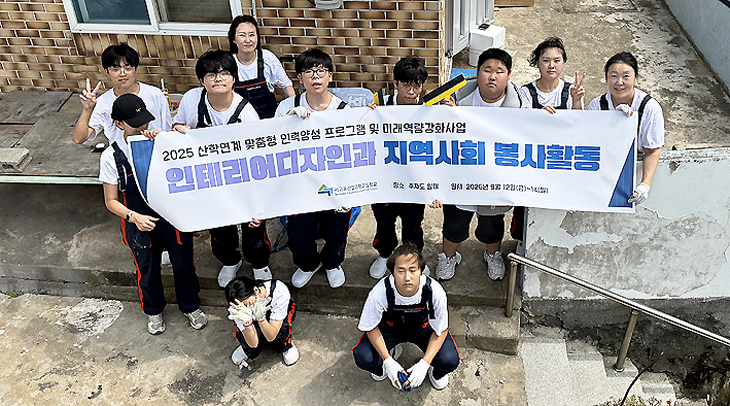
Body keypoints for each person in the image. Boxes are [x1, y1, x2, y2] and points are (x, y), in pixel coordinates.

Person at [99, 94, 206, 335]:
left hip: (172, 216)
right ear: (118, 124)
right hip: (139, 221)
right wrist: (133, 217)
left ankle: (190, 306)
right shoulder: (111, 156)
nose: (142, 127)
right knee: (147, 269)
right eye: (135, 124)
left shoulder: (162, 142)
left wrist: (170, 141)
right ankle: (154, 311)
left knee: (184, 264)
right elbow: (111, 201)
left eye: (145, 121)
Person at [172, 50, 273, 287]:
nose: (218, 79)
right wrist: (178, 129)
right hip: (209, 179)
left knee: (254, 229)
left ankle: (259, 264)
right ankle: (230, 261)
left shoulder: (246, 112)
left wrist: (257, 200)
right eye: (211, 74)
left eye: (224, 73)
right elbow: (177, 124)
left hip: (243, 179)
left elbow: (258, 156)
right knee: (219, 228)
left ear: (234, 79)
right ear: (201, 80)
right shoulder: (191, 100)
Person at [435, 48, 529, 282]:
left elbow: (530, 141)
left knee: (492, 222)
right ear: (477, 72)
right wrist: (441, 113)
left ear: (509, 75)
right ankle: (448, 256)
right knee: (455, 220)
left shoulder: (521, 107)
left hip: (495, 179)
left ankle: (493, 255)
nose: (492, 76)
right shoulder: (455, 95)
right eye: (487, 70)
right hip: (460, 175)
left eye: (500, 71)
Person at [274, 48, 351, 289]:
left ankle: (332, 263)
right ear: (300, 78)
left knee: (337, 232)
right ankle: (308, 264)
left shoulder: (344, 110)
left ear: (330, 76)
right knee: (298, 235)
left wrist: (349, 191)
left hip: (333, 184)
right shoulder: (286, 106)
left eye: (321, 71)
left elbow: (354, 154)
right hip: (299, 185)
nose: (315, 76)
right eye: (309, 71)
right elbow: (274, 146)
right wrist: (287, 124)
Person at [352, 243, 460, 391]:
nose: (407, 277)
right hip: (390, 329)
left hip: (424, 329)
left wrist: (425, 363)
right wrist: (387, 361)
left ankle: (435, 372)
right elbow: (370, 327)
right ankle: (386, 359)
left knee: (449, 360)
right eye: (401, 271)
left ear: (421, 271)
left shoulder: (434, 291)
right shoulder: (380, 292)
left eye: (412, 270)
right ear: (393, 272)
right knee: (363, 357)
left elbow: (441, 330)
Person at [367, 56, 432, 280]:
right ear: (395, 83)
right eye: (406, 84)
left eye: (417, 85)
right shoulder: (380, 105)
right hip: (384, 180)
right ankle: (385, 254)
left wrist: (448, 112)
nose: (412, 91)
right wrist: (365, 116)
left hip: (414, 179)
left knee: (413, 224)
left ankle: (413, 258)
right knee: (384, 222)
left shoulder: (430, 109)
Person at [588, 52, 664, 206]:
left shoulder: (649, 108)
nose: (619, 82)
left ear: (635, 79)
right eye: (614, 76)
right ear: (606, 79)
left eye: (626, 76)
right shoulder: (597, 106)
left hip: (633, 169)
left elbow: (653, 151)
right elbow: (591, 144)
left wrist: (645, 184)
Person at [72, 43, 172, 146]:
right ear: (107, 72)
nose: (122, 73)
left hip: (157, 151)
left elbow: (169, 130)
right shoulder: (103, 102)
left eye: (128, 68)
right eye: (116, 69)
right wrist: (87, 110)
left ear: (136, 69)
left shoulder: (155, 94)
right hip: (122, 154)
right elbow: (79, 139)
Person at [228, 15, 295, 119]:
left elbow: (287, 86)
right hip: (243, 122)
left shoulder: (267, 58)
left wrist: (294, 110)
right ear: (234, 39)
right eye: (242, 35)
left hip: (270, 120)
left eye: (252, 35)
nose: (248, 40)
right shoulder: (228, 63)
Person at [225, 276, 299, 368]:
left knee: (282, 330)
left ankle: (285, 345)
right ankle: (247, 350)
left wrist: (261, 318)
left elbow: (271, 336)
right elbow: (253, 343)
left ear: (256, 290)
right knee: (244, 337)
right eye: (242, 306)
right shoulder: (236, 309)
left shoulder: (278, 291)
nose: (246, 307)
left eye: (248, 304)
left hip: (274, 319)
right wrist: (247, 323)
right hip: (253, 323)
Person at [518, 37, 585, 113]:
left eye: (556, 61)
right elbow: (524, 118)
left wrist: (576, 100)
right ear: (537, 63)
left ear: (563, 63)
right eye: (546, 61)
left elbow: (577, 118)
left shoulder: (572, 91)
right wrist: (540, 114)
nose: (551, 66)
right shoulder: (525, 92)